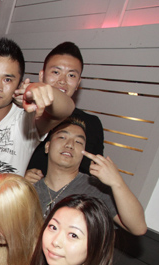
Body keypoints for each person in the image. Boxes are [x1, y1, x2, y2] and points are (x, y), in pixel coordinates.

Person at [0, 38, 75, 198]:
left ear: (19, 84)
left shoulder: (26, 119)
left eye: (7, 79)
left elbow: (66, 109)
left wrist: (41, 89)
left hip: (2, 213)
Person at [33, 117, 147, 235]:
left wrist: (117, 182)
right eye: (62, 137)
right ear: (47, 146)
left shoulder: (96, 189)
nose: (70, 145)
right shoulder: (31, 187)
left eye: (78, 142)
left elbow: (138, 228)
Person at [25, 42, 105, 180]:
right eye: (56, 72)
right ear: (41, 76)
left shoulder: (91, 124)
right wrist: (21, 176)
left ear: (78, 83)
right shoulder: (24, 114)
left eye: (71, 75)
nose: (62, 81)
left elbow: (93, 176)